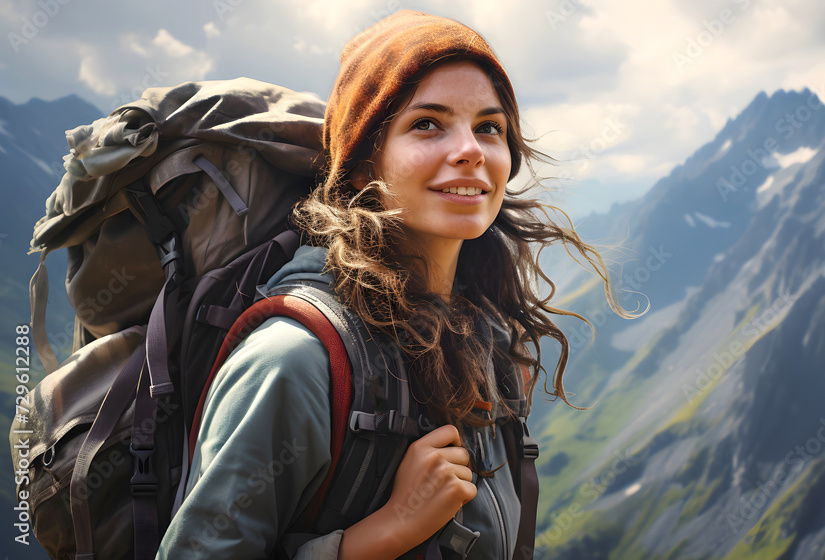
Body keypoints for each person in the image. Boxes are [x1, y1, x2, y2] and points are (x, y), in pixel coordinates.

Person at [156, 9, 640, 560]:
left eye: (490, 126)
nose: (471, 150)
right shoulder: (294, 361)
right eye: (427, 123)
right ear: (362, 165)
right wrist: (386, 533)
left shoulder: (488, 337)